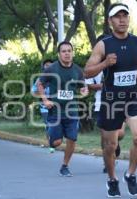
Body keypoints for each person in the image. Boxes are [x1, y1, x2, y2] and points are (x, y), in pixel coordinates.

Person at [84, 3, 137, 198]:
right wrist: (105, 63)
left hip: (132, 97)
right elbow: (87, 71)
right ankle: (112, 179)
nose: (122, 20)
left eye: (125, 16)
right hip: (111, 101)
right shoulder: (103, 44)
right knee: (110, 146)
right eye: (117, 16)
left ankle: (130, 174)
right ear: (110, 21)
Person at [37, 41, 89, 177]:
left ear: (72, 53)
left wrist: (84, 90)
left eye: (69, 51)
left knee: (72, 139)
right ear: (59, 54)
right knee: (57, 142)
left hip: (72, 111)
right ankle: (50, 134)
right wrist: (45, 100)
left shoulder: (77, 70)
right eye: (64, 51)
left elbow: (82, 86)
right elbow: (39, 84)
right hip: (56, 111)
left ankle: (65, 166)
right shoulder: (52, 69)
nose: (67, 53)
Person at [85, 70, 126, 173]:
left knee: (120, 134)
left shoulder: (120, 61)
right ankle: (108, 162)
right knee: (105, 137)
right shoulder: (95, 66)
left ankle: (114, 143)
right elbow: (89, 85)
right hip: (101, 103)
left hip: (120, 101)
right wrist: (106, 85)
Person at [31, 59, 54, 153]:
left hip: (56, 105)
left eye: (50, 65)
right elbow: (33, 92)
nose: (48, 67)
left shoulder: (57, 78)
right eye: (46, 65)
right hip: (44, 106)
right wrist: (40, 91)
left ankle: (54, 141)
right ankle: (51, 145)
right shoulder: (40, 79)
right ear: (43, 67)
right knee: (48, 124)